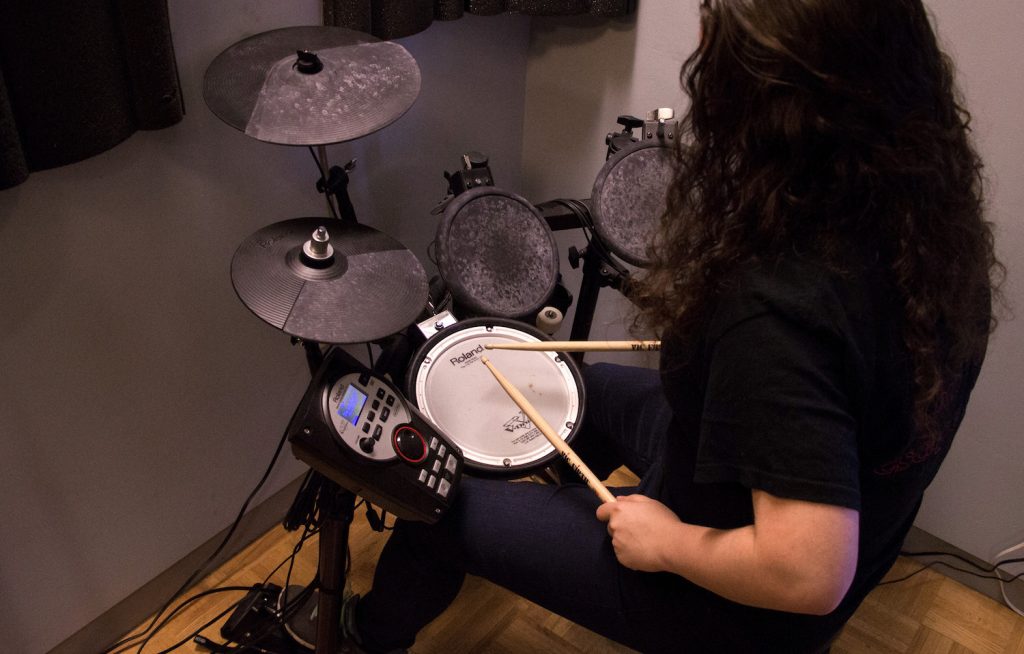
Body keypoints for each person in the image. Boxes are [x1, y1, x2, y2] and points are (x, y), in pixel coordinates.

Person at [341, 1, 1002, 652]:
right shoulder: (927, 213)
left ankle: (367, 635)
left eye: (715, 40)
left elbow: (809, 575)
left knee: (433, 506)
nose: (699, 38)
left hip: (736, 607)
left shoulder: (777, 311)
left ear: (768, 99)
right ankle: (563, 523)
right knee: (571, 386)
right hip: (783, 503)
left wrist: (667, 544)